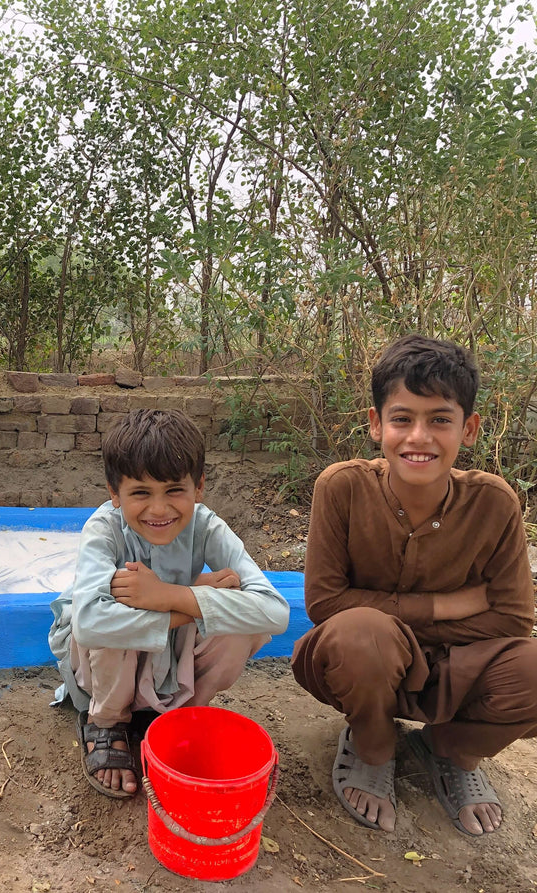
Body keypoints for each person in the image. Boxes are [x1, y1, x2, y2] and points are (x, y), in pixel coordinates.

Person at [292, 334, 537, 836]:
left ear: (468, 429)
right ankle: (373, 747)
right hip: (367, 661)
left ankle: (451, 750)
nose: (419, 437)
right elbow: (325, 603)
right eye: (402, 418)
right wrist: (446, 606)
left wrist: (406, 615)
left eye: (440, 420)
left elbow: (514, 618)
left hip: (459, 667)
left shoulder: (495, 503)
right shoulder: (341, 488)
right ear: (376, 423)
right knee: (361, 633)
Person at [49, 409, 290, 798]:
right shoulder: (104, 528)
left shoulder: (207, 525)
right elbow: (90, 624)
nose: (159, 510)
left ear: (199, 487)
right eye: (140, 493)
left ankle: (174, 719)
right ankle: (106, 723)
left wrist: (171, 593)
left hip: (164, 657)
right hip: (97, 672)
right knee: (114, 607)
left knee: (243, 621)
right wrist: (186, 602)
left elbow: (275, 612)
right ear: (115, 494)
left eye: (174, 490)